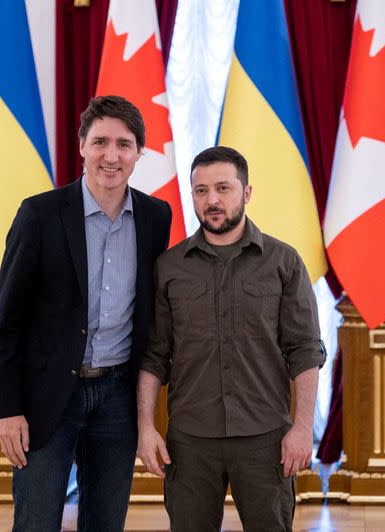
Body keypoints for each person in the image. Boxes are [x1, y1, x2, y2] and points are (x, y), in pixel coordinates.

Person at [0, 95, 172, 532]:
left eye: (124, 144)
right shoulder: (40, 214)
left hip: (117, 397)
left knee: (106, 523)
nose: (112, 156)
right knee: (36, 522)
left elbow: (152, 313)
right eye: (101, 142)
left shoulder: (155, 216)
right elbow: (7, 325)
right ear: (82, 146)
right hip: (47, 397)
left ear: (139, 152)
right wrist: (7, 409)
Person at [137, 146, 326, 531]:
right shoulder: (168, 267)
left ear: (246, 192)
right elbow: (153, 355)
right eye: (201, 191)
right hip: (190, 441)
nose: (212, 200)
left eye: (223, 188)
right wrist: (145, 427)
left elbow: (304, 351)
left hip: (265, 438)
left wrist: (303, 428)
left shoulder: (283, 262)